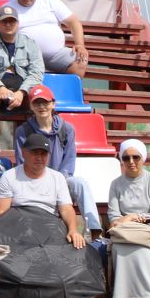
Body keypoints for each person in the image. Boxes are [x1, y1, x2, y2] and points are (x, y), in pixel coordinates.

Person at [14, 86, 99, 232]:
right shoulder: (23, 131)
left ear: (53, 104)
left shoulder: (67, 129)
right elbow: (23, 161)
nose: (41, 107)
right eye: (37, 103)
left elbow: (69, 161)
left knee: (80, 183)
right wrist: (43, 180)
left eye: (45, 102)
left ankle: (95, 230)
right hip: (34, 181)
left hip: (61, 180)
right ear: (31, 106)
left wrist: (56, 182)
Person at [0, 130, 86, 249]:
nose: (39, 158)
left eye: (43, 154)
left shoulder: (58, 177)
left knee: (77, 247)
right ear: (24, 153)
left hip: (50, 229)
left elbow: (66, 209)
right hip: (18, 228)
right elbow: (0, 213)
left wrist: (73, 230)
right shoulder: (9, 176)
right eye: (34, 153)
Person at [106, 141, 150, 298]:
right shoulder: (116, 184)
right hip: (125, 232)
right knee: (120, 245)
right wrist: (128, 221)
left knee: (140, 247)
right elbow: (113, 215)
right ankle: (124, 296)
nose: (131, 161)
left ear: (143, 158)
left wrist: (132, 217)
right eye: (126, 158)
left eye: (136, 157)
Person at [1, 0, 87, 76]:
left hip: (55, 54)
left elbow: (74, 22)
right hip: (24, 56)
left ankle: (66, 89)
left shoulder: (49, 1)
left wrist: (80, 45)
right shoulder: (8, 8)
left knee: (80, 60)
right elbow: (2, 34)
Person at [0, 7, 42, 114]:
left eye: (12, 21)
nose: (8, 24)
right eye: (4, 21)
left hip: (22, 90)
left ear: (18, 23)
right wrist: (0, 87)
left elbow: (36, 72)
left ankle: (37, 129)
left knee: (40, 91)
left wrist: (22, 92)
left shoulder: (30, 43)